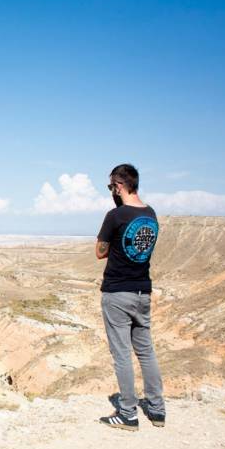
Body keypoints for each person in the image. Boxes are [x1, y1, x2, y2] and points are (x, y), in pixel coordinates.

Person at [95, 163, 166, 431]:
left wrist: (114, 238)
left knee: (122, 354)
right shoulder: (150, 214)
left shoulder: (115, 216)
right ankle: (157, 411)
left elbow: (99, 252)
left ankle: (128, 414)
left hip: (117, 292)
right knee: (146, 351)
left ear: (119, 185)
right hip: (142, 291)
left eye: (111, 186)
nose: (111, 191)